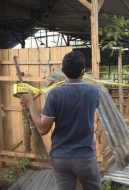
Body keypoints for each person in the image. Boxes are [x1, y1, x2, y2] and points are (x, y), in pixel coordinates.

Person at [20, 51, 102, 190]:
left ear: (63, 71)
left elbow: (42, 129)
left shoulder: (55, 94)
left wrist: (30, 104)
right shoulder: (94, 92)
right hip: (85, 157)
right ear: (83, 71)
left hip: (61, 158)